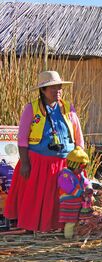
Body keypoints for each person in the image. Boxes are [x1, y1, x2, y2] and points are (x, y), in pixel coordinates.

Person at [5, 71, 84, 232]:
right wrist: (25, 163)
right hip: (39, 162)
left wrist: (80, 158)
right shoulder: (32, 108)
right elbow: (22, 138)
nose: (57, 90)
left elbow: (78, 135)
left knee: (63, 197)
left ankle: (61, 227)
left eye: (59, 87)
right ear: (43, 90)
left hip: (65, 163)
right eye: (52, 87)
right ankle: (32, 227)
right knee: (35, 198)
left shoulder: (68, 108)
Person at [58, 146, 93, 239]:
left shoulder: (79, 174)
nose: (83, 169)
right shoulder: (65, 175)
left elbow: (86, 181)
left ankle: (76, 235)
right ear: (73, 164)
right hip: (69, 203)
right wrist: (81, 193)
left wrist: (89, 187)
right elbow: (67, 187)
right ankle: (68, 238)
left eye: (85, 166)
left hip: (77, 203)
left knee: (77, 220)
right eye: (82, 166)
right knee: (70, 221)